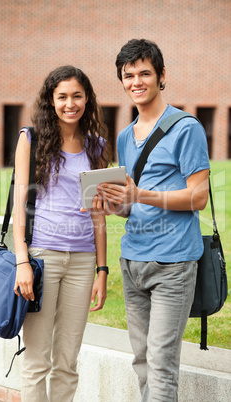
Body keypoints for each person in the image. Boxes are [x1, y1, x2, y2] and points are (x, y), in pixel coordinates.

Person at [93, 39, 210, 401]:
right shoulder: (126, 136)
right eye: (128, 75)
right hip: (133, 262)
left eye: (145, 73)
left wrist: (139, 195)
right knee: (142, 361)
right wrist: (112, 204)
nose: (136, 81)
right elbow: (132, 203)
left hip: (173, 263)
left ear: (161, 76)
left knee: (161, 363)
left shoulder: (185, 127)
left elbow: (198, 197)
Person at [12, 65, 110, 402]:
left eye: (77, 96)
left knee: (68, 361)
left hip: (83, 262)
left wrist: (101, 269)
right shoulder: (31, 139)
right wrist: (21, 261)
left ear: (87, 99)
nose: (71, 103)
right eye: (63, 96)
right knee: (37, 360)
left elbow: (98, 212)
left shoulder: (96, 145)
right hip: (42, 258)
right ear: (51, 101)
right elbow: (19, 206)